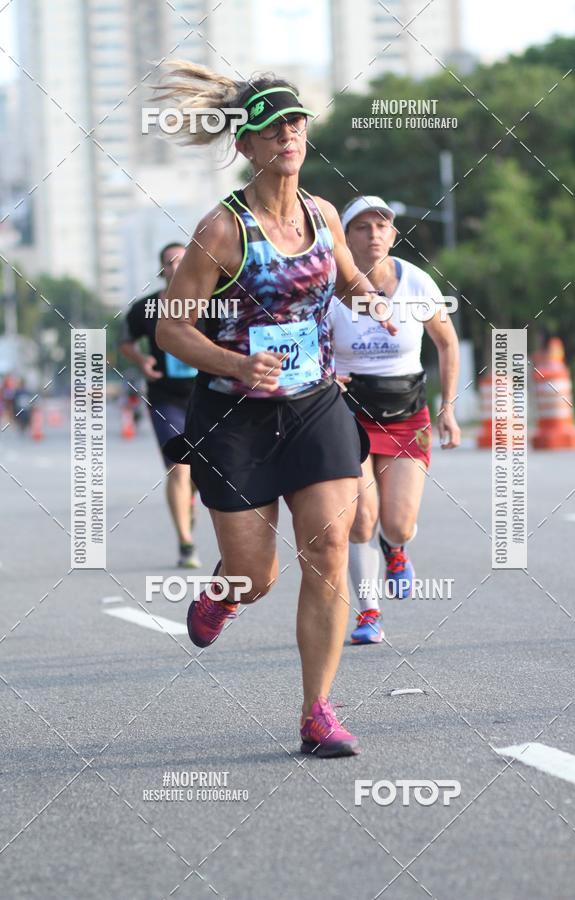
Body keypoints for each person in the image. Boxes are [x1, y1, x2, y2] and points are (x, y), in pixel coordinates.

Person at [153, 63, 397, 757]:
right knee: (255, 574)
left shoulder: (322, 215)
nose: (287, 134)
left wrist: (369, 301)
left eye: (295, 122)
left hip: (316, 403)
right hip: (235, 418)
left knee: (326, 548)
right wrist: (236, 363)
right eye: (270, 127)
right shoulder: (221, 231)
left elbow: (345, 279)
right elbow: (173, 327)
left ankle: (318, 712)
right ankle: (223, 597)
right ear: (247, 146)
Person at [329, 196, 461, 644]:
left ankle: (397, 547)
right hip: (348, 414)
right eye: (362, 227)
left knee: (397, 523)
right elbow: (303, 344)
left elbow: (447, 342)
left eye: (382, 226)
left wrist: (448, 409)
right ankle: (368, 613)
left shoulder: (418, 283)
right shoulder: (327, 287)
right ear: (345, 237)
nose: (374, 234)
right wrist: (326, 372)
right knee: (361, 518)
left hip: (408, 412)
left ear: (393, 234)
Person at [119, 243, 200, 568]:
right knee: (179, 468)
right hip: (166, 399)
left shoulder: (209, 302)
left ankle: (189, 501)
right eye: (170, 262)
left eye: (184, 260)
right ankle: (186, 543)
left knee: (201, 471)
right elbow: (124, 340)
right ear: (162, 270)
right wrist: (142, 359)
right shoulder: (146, 308)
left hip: (207, 398)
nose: (177, 267)